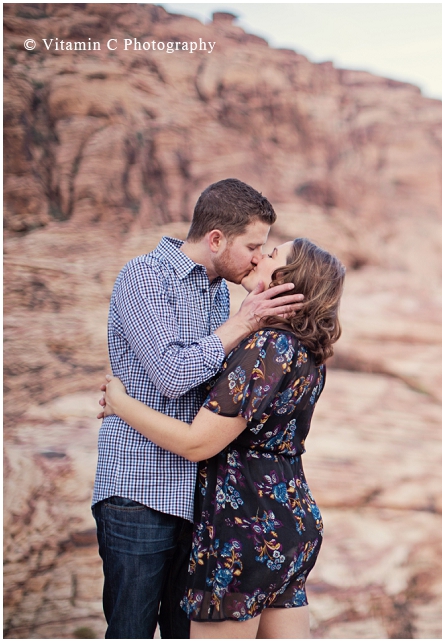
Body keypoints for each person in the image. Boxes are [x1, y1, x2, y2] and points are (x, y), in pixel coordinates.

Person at [99, 238, 344, 639]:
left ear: (289, 282)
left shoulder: (267, 347)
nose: (259, 256)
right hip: (289, 523)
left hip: (244, 529)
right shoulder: (306, 353)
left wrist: (120, 402)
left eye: (272, 254)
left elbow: (198, 443)